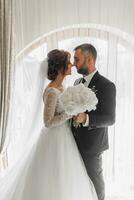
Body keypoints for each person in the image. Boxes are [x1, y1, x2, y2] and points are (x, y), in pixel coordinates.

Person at [6, 49, 98, 200]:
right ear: (61, 67)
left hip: (64, 137)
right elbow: (48, 122)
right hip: (54, 139)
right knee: (54, 177)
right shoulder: (52, 91)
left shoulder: (61, 87)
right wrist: (69, 113)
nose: (71, 65)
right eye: (68, 62)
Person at [72, 43, 116, 200]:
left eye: (77, 59)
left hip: (93, 145)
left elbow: (110, 118)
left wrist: (86, 119)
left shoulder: (107, 85)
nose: (74, 63)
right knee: (77, 183)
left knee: (95, 184)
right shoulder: (76, 83)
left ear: (89, 59)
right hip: (72, 143)